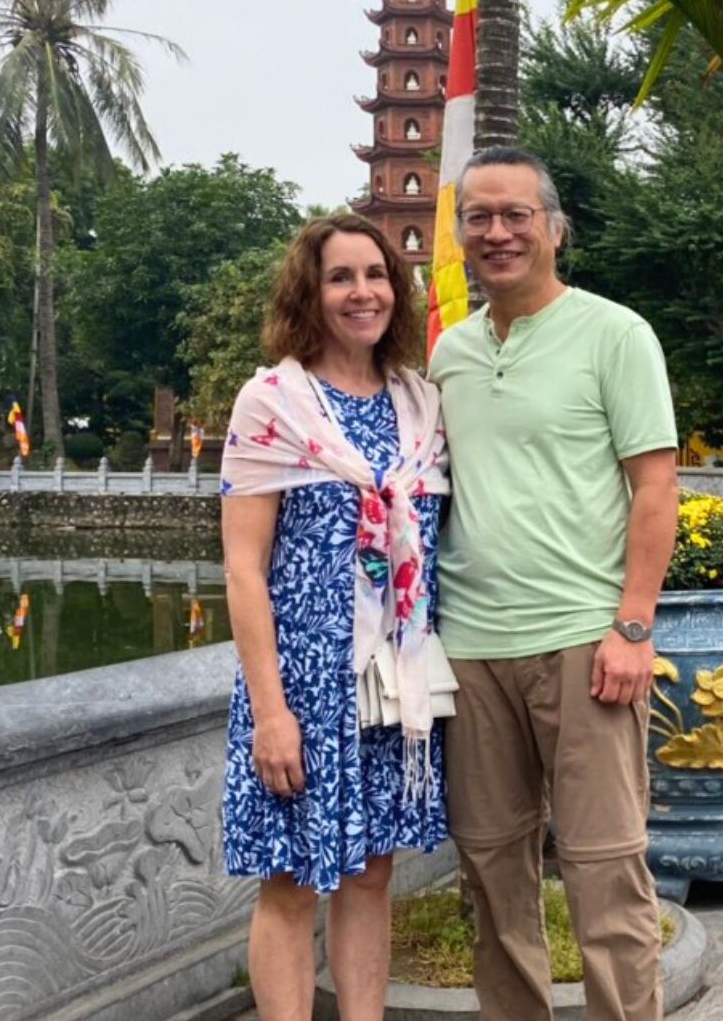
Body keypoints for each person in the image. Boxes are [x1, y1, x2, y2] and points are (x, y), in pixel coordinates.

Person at [429, 147, 679, 1021]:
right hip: (469, 649)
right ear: (460, 235)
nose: (496, 233)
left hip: (584, 641)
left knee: (606, 870)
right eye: (479, 217)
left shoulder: (615, 334)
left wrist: (633, 626)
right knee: (491, 871)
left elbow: (655, 485)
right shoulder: (449, 355)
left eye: (516, 215)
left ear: (553, 229)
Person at [218, 213, 451, 1021]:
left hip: (392, 683)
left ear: (399, 289)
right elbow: (245, 572)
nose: (363, 292)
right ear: (309, 294)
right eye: (341, 277)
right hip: (303, 684)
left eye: (376, 275)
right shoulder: (273, 401)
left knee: (371, 873)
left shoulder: (420, 405)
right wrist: (271, 714)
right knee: (289, 877)